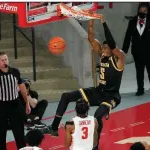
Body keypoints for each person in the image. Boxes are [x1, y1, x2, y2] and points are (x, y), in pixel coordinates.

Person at [45, 13, 125, 150]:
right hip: (98, 91)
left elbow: (111, 44)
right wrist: (92, 21)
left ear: (112, 50)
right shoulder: (102, 55)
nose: (104, 50)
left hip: (112, 96)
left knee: (97, 116)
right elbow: (91, 38)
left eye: (106, 48)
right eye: (103, 48)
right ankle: (53, 127)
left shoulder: (119, 58)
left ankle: (95, 147)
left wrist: (103, 22)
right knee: (66, 96)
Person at [0, 52, 31, 150]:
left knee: (19, 133)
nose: (4, 62)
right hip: (1, 106)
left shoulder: (15, 72)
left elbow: (22, 87)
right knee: (0, 134)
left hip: (15, 105)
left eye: (6, 59)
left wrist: (27, 103)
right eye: (2, 60)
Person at [122, 2, 150, 96]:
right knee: (139, 71)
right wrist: (124, 50)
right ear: (138, 10)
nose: (142, 12)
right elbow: (127, 36)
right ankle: (140, 89)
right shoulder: (132, 22)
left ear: (148, 11)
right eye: (141, 10)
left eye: (145, 10)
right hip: (137, 51)